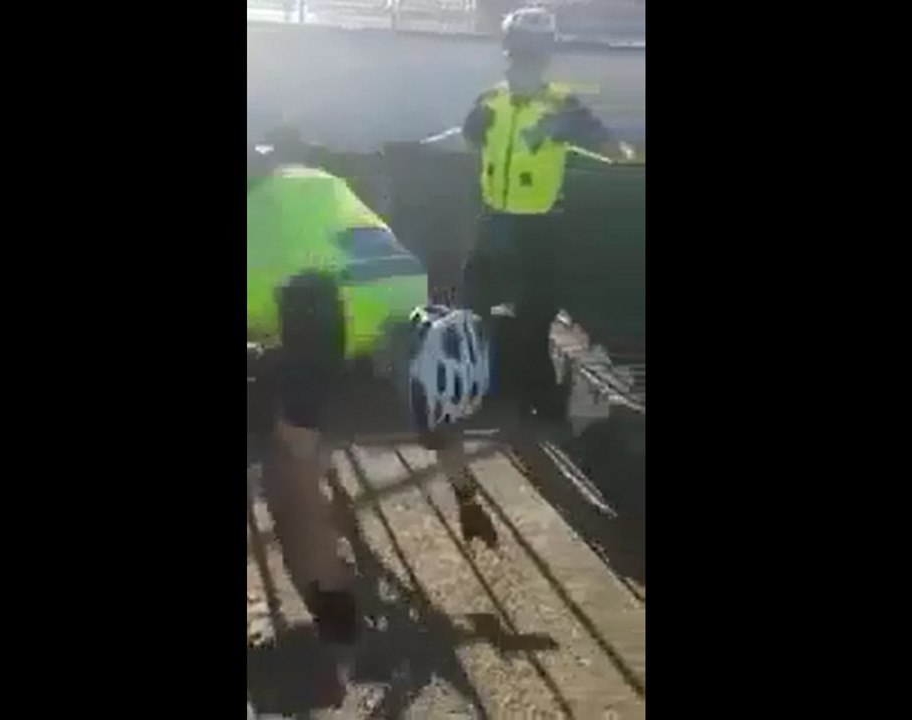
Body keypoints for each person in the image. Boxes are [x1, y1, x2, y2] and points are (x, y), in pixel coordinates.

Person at [247, 142, 498, 648]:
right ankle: (330, 588)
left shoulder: (281, 217)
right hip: (343, 297)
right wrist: (467, 496)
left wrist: (467, 498)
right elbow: (436, 408)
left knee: (296, 443)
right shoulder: (315, 188)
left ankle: (330, 597)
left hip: (315, 301)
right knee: (297, 447)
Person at [460, 6, 630, 421]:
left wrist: (574, 135)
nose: (522, 59)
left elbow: (613, 149)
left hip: (535, 227)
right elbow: (470, 139)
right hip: (499, 221)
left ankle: (531, 399)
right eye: (520, 50)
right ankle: (489, 389)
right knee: (481, 308)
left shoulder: (559, 106)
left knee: (532, 317)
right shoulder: (492, 101)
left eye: (528, 52)